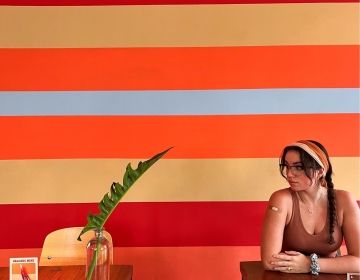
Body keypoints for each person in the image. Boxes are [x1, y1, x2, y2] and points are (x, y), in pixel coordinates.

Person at [261, 140, 360, 274]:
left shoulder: (344, 200)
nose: (289, 174)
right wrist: (333, 264)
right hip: (288, 277)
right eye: (287, 166)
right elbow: (269, 261)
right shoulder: (281, 199)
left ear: (320, 171)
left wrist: (309, 264)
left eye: (299, 167)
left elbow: (358, 261)